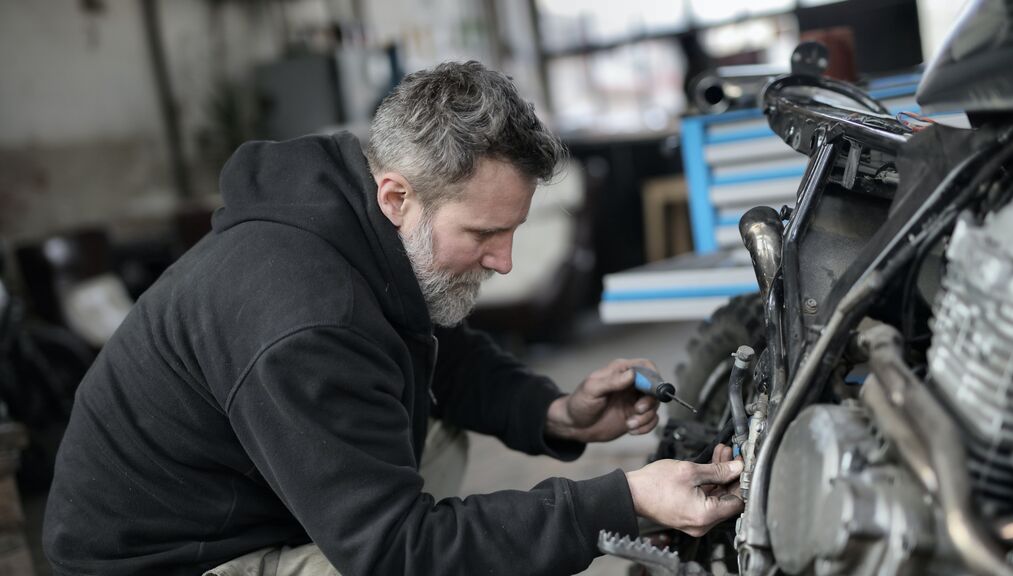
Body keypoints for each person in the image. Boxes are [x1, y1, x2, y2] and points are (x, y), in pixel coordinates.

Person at [42, 61, 743, 576]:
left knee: (439, 430)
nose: (502, 261)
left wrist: (558, 413)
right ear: (396, 194)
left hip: (239, 496)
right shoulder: (307, 320)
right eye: (481, 234)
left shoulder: (352, 222)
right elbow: (401, 553)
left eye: (512, 232)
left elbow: (443, 351)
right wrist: (622, 502)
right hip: (167, 563)